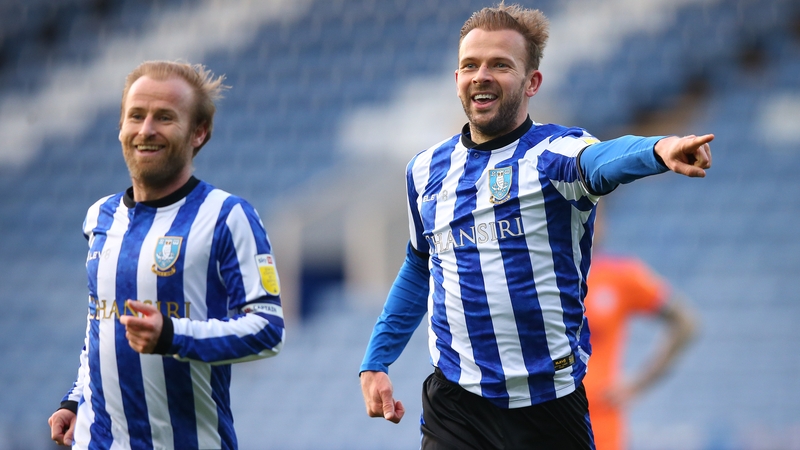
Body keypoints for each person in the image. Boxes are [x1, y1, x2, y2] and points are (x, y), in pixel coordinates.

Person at [359, 3, 713, 449]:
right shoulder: (425, 171)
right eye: (470, 65)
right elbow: (418, 266)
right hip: (457, 403)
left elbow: (599, 160)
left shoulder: (554, 154)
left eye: (500, 65)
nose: (481, 75)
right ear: (456, 80)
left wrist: (658, 149)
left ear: (532, 83)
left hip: (548, 404)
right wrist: (377, 359)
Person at [47, 61, 286, 449]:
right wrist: (75, 398)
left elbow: (267, 330)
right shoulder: (100, 217)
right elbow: (100, 322)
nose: (146, 130)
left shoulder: (227, 217)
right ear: (121, 126)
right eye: (136, 116)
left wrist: (172, 335)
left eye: (164, 117)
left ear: (199, 132)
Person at [583, 204, 696, 450]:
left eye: (593, 215)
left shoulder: (621, 276)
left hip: (600, 424)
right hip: (543, 416)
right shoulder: (535, 277)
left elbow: (686, 323)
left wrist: (638, 383)